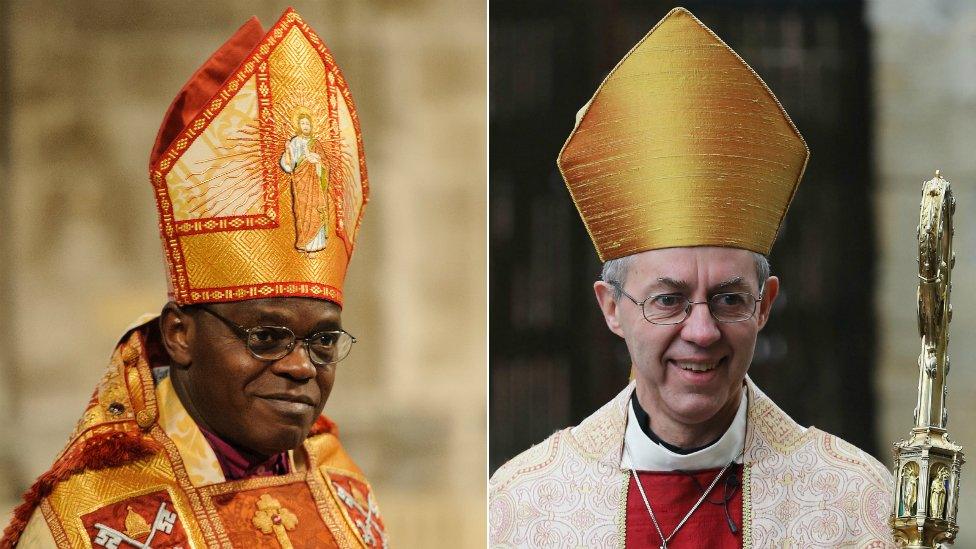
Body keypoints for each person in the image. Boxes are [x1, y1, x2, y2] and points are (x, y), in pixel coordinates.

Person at [489, 8, 894, 548]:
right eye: (669, 300)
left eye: (729, 299)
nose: (701, 331)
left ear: (766, 304)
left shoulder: (855, 501)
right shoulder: (526, 504)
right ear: (611, 307)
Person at [3, 8, 386, 548]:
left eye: (322, 339)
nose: (302, 366)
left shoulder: (344, 493)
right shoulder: (88, 526)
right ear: (180, 334)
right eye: (268, 337)